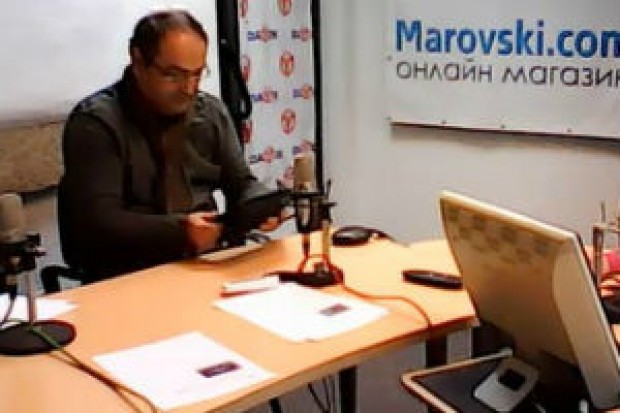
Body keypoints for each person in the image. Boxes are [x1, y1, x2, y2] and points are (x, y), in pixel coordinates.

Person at [58, 10, 281, 283]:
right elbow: (99, 223)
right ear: (138, 60)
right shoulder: (97, 123)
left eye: (197, 75)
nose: (188, 88)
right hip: (129, 275)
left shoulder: (210, 112)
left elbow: (241, 183)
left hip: (208, 265)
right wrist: (180, 232)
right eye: (173, 75)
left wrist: (259, 205)